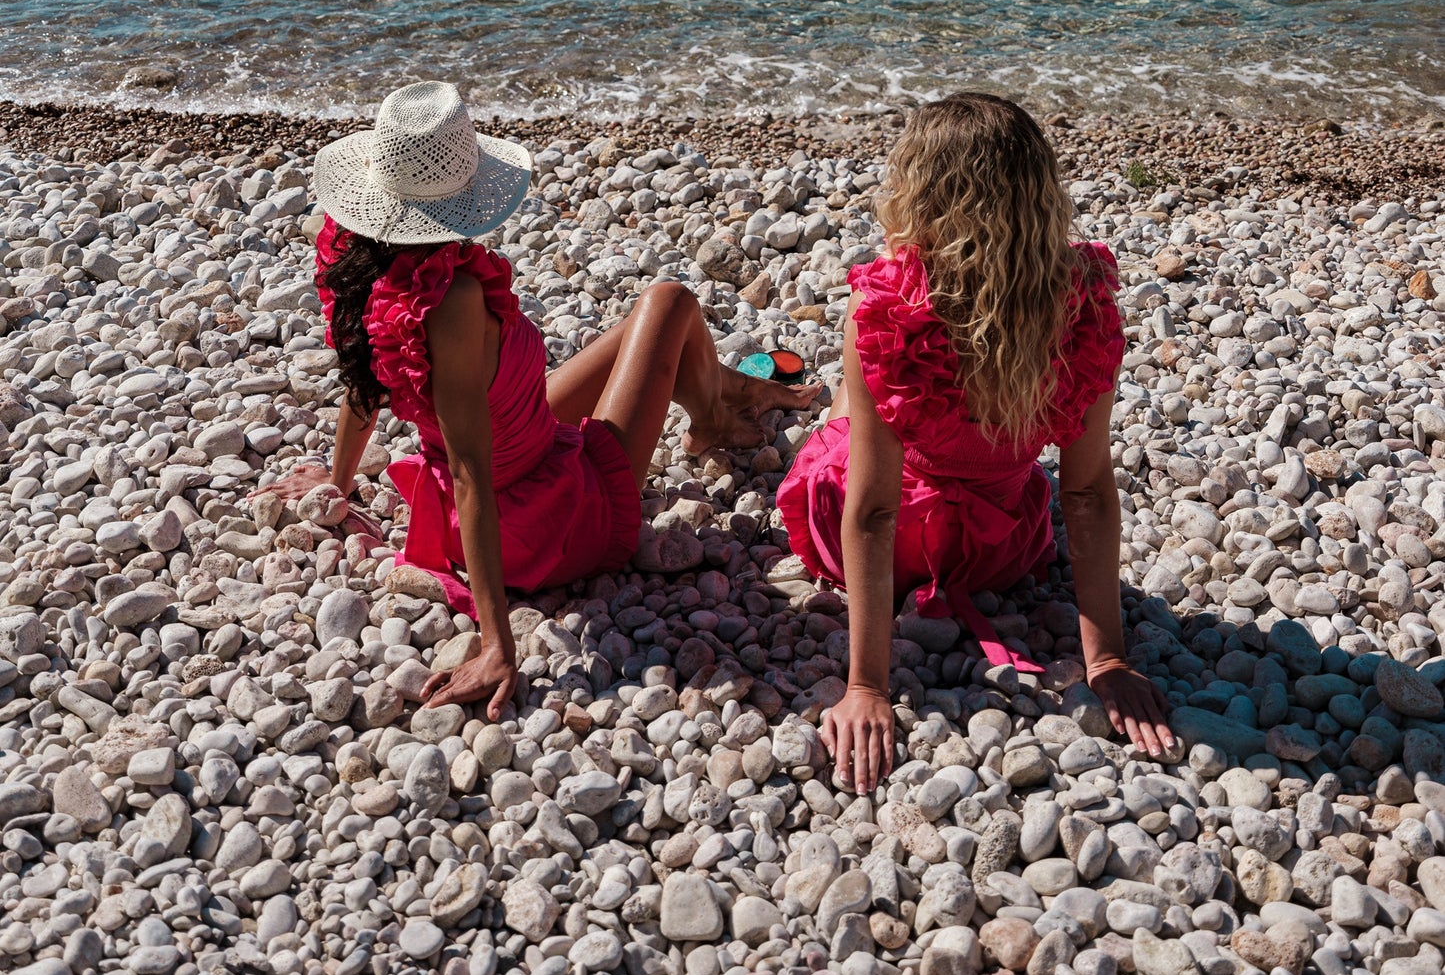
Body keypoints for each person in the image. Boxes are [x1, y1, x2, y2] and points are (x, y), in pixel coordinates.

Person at [269, 81, 815, 720]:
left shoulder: (361, 260)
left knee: (643, 323)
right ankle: (715, 414)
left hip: (497, 456)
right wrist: (499, 645)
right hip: (539, 519)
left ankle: (728, 392)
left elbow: (362, 381)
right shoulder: (454, 301)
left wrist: (337, 483)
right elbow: (474, 474)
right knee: (667, 302)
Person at [777, 92, 1173, 794]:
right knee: (872, 405)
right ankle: (805, 393)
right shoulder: (1085, 297)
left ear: (921, 193)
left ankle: (777, 392)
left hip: (894, 546)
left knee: (842, 420)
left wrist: (866, 683)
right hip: (1003, 545)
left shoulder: (889, 303)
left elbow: (868, 513)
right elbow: (1082, 492)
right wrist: (1105, 658)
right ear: (1041, 194)